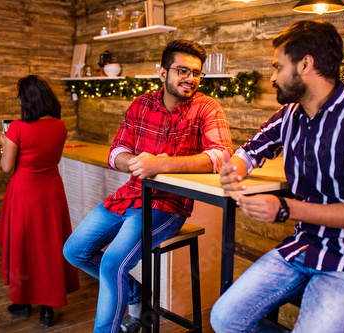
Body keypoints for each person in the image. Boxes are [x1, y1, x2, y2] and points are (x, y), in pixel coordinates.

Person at [210, 20, 344, 333]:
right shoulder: (289, 115)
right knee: (224, 319)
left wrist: (286, 208)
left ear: (306, 64)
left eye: (277, 66)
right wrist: (233, 171)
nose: (271, 77)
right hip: (305, 245)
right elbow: (250, 151)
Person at [63, 39, 233, 333]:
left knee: (112, 264)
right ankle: (137, 294)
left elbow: (221, 156)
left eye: (196, 73)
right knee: (74, 251)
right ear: (162, 72)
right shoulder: (141, 104)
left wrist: (161, 164)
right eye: (182, 71)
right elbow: (115, 153)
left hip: (166, 206)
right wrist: (136, 163)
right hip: (127, 197)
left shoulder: (207, 107)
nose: (190, 78)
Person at [0, 75, 80, 327]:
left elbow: (6, 167)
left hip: (25, 192)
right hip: (52, 191)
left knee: (23, 247)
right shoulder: (60, 126)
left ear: (26, 101)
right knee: (50, 246)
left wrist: (4, 144)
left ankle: (23, 302)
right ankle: (47, 308)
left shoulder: (17, 128)